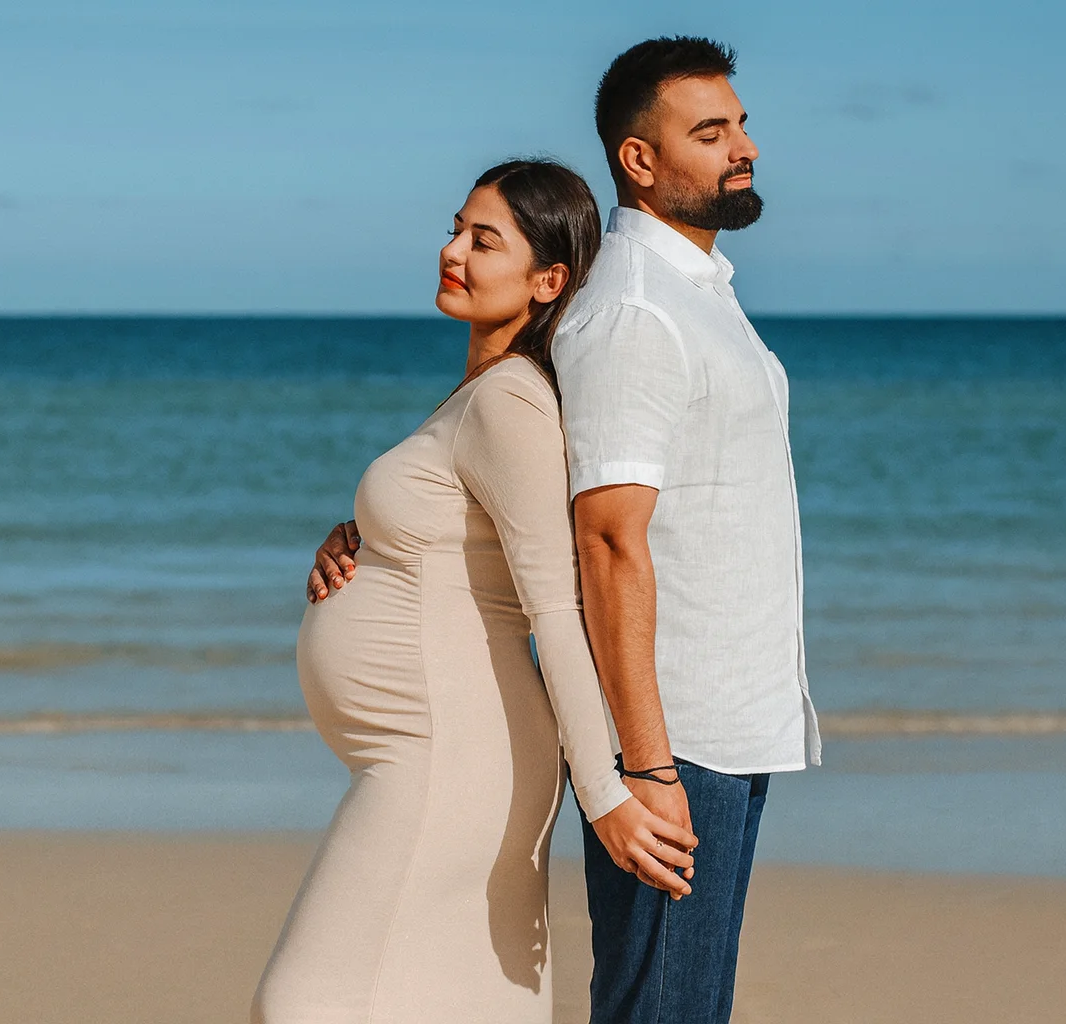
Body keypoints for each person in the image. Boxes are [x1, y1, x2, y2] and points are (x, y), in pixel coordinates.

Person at [252, 159, 699, 1024]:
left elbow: (554, 609)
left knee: (301, 1004)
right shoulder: (480, 396)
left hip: (451, 759)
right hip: (438, 752)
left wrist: (605, 793)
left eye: (483, 241)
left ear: (548, 281)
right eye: (455, 229)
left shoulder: (511, 402)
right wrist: (364, 539)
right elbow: (457, 543)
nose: (452, 251)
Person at [555, 37, 822, 1024]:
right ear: (640, 159)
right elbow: (606, 540)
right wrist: (646, 762)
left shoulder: (698, 291)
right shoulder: (634, 309)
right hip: (678, 736)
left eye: (741, 125)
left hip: (725, 723)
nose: (742, 148)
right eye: (710, 133)